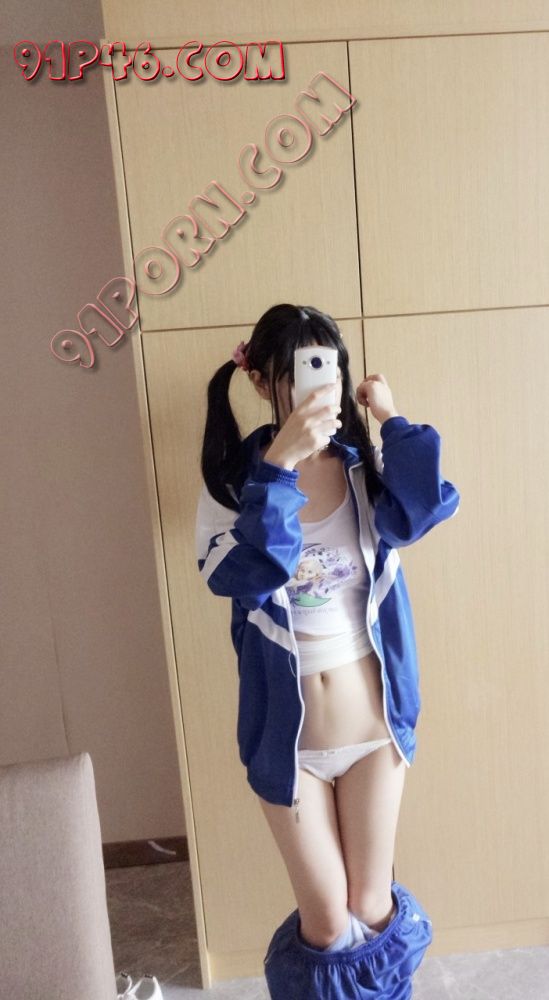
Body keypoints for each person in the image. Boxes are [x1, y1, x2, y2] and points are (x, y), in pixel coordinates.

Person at [195, 303, 460, 999]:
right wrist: (279, 467)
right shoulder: (233, 481)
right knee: (325, 922)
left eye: (330, 366)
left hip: (374, 728)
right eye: (302, 369)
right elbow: (239, 576)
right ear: (262, 381)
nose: (322, 383)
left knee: (371, 907)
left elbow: (423, 509)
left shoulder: (361, 468)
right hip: (289, 744)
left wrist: (390, 419)